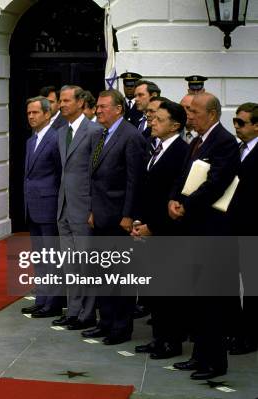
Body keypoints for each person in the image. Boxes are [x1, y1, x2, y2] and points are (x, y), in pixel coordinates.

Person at [168, 92, 239, 380]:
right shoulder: (196, 141)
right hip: (191, 230)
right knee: (196, 298)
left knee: (211, 300)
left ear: (212, 113)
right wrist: (172, 199)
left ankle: (214, 362)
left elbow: (216, 183)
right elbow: (182, 177)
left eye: (195, 112)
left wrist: (185, 205)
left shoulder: (223, 142)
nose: (190, 116)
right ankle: (199, 356)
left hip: (210, 232)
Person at [82, 89, 145, 345]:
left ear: (119, 109)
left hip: (120, 219)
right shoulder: (103, 134)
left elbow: (134, 180)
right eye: (97, 106)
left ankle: (121, 328)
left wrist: (129, 214)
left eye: (103, 106)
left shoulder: (130, 136)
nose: (98, 110)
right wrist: (93, 211)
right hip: (101, 216)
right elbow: (96, 175)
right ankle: (105, 322)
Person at [132, 100, 189, 359]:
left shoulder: (181, 151)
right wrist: (139, 220)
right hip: (148, 228)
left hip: (166, 232)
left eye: (159, 119)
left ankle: (171, 342)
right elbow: (148, 190)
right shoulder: (157, 148)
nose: (152, 121)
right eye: (153, 118)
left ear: (175, 125)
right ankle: (159, 338)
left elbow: (173, 196)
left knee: (169, 293)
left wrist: (153, 227)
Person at [53, 85, 102, 330]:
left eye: (66, 101)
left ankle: (88, 313)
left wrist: (94, 208)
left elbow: (97, 174)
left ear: (81, 102)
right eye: (60, 101)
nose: (61, 105)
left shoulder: (95, 131)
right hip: (64, 207)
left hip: (84, 208)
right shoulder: (62, 132)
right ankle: (73, 311)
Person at [20, 96, 62, 319]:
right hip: (33, 205)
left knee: (52, 257)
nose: (31, 117)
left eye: (35, 112)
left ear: (47, 114)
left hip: (49, 205)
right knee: (40, 257)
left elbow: (60, 173)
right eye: (28, 113)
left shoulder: (55, 139)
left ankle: (53, 303)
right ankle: (42, 300)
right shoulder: (31, 140)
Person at [227, 102, 258, 356]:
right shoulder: (237, 149)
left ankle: (249, 336)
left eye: (241, 123)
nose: (236, 126)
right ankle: (237, 330)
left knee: (252, 286)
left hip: (252, 225)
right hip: (233, 223)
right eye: (235, 122)